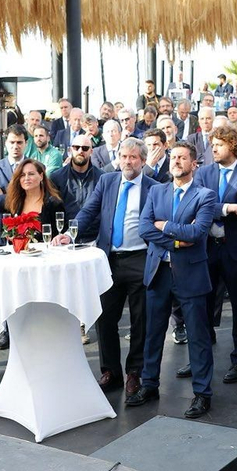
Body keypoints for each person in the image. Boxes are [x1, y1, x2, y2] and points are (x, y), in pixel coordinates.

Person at [128, 142, 219, 418]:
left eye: (183, 158)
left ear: (194, 164)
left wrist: (165, 226)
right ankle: (149, 385)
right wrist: (177, 242)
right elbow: (144, 228)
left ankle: (202, 393)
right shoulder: (156, 191)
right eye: (174, 157)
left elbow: (198, 233)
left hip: (190, 274)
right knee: (153, 332)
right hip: (159, 273)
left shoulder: (206, 195)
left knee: (198, 335)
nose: (177, 161)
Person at [70, 139, 156, 393]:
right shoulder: (107, 181)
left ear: (142, 160)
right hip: (109, 260)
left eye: (133, 157)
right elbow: (89, 211)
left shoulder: (153, 188)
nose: (127, 161)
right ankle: (110, 371)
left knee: (141, 320)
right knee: (105, 317)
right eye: (123, 156)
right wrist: (71, 233)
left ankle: (134, 372)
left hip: (141, 259)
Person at [192, 125, 237, 385]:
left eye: (218, 145)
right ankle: (201, 355)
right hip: (207, 247)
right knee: (203, 303)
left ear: (232, 145)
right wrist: (230, 207)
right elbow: (196, 205)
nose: (213, 149)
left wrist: (216, 208)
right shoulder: (204, 172)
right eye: (212, 145)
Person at [50, 134, 101, 220]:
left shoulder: (101, 178)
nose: (80, 151)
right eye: (76, 148)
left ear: (91, 152)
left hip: (93, 231)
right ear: (70, 150)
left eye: (85, 148)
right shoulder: (56, 178)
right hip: (64, 230)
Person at [0, 125, 30, 211]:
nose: (15, 146)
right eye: (12, 142)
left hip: (27, 220)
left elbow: (35, 198)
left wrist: (3, 195)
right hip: (2, 221)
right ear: (6, 143)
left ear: (26, 143)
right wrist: (22, 197)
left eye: (19, 142)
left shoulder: (35, 167)